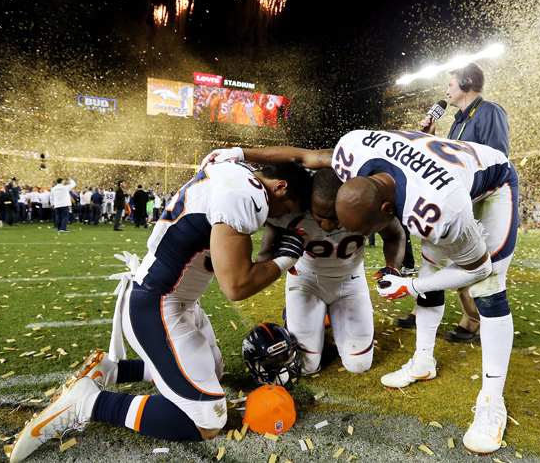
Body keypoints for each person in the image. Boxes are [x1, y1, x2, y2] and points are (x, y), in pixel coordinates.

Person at [199, 130, 517, 456]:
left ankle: (492, 402)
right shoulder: (351, 152)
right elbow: (302, 156)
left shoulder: (431, 210)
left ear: (386, 209)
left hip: (486, 184)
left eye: (360, 230)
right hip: (314, 276)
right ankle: (423, 361)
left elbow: (479, 269)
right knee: (430, 269)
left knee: (489, 288)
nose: (330, 228)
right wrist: (240, 151)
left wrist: (407, 284)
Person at [8, 161, 312, 463]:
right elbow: (236, 286)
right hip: (157, 309)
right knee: (207, 421)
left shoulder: (233, 170)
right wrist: (285, 259)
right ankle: (90, 402)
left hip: (173, 300)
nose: (280, 217)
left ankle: (114, 370)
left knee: (213, 372)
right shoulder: (247, 196)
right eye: (286, 209)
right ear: (279, 187)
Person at [400, 62, 511, 341]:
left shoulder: (490, 111)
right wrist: (430, 138)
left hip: (482, 201)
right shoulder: (457, 122)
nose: (446, 91)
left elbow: (497, 159)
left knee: (473, 261)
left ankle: (473, 321)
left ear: (465, 83)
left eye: (450, 85)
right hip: (459, 201)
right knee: (434, 257)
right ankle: (422, 310)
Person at [257, 168, 403, 375]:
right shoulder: (292, 212)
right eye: (320, 216)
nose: (327, 225)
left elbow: (395, 234)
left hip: (351, 281)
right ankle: (296, 313)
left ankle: (324, 317)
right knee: (306, 367)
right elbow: (262, 257)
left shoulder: (363, 207)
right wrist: (279, 254)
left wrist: (393, 268)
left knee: (359, 365)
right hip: (306, 282)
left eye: (335, 217)